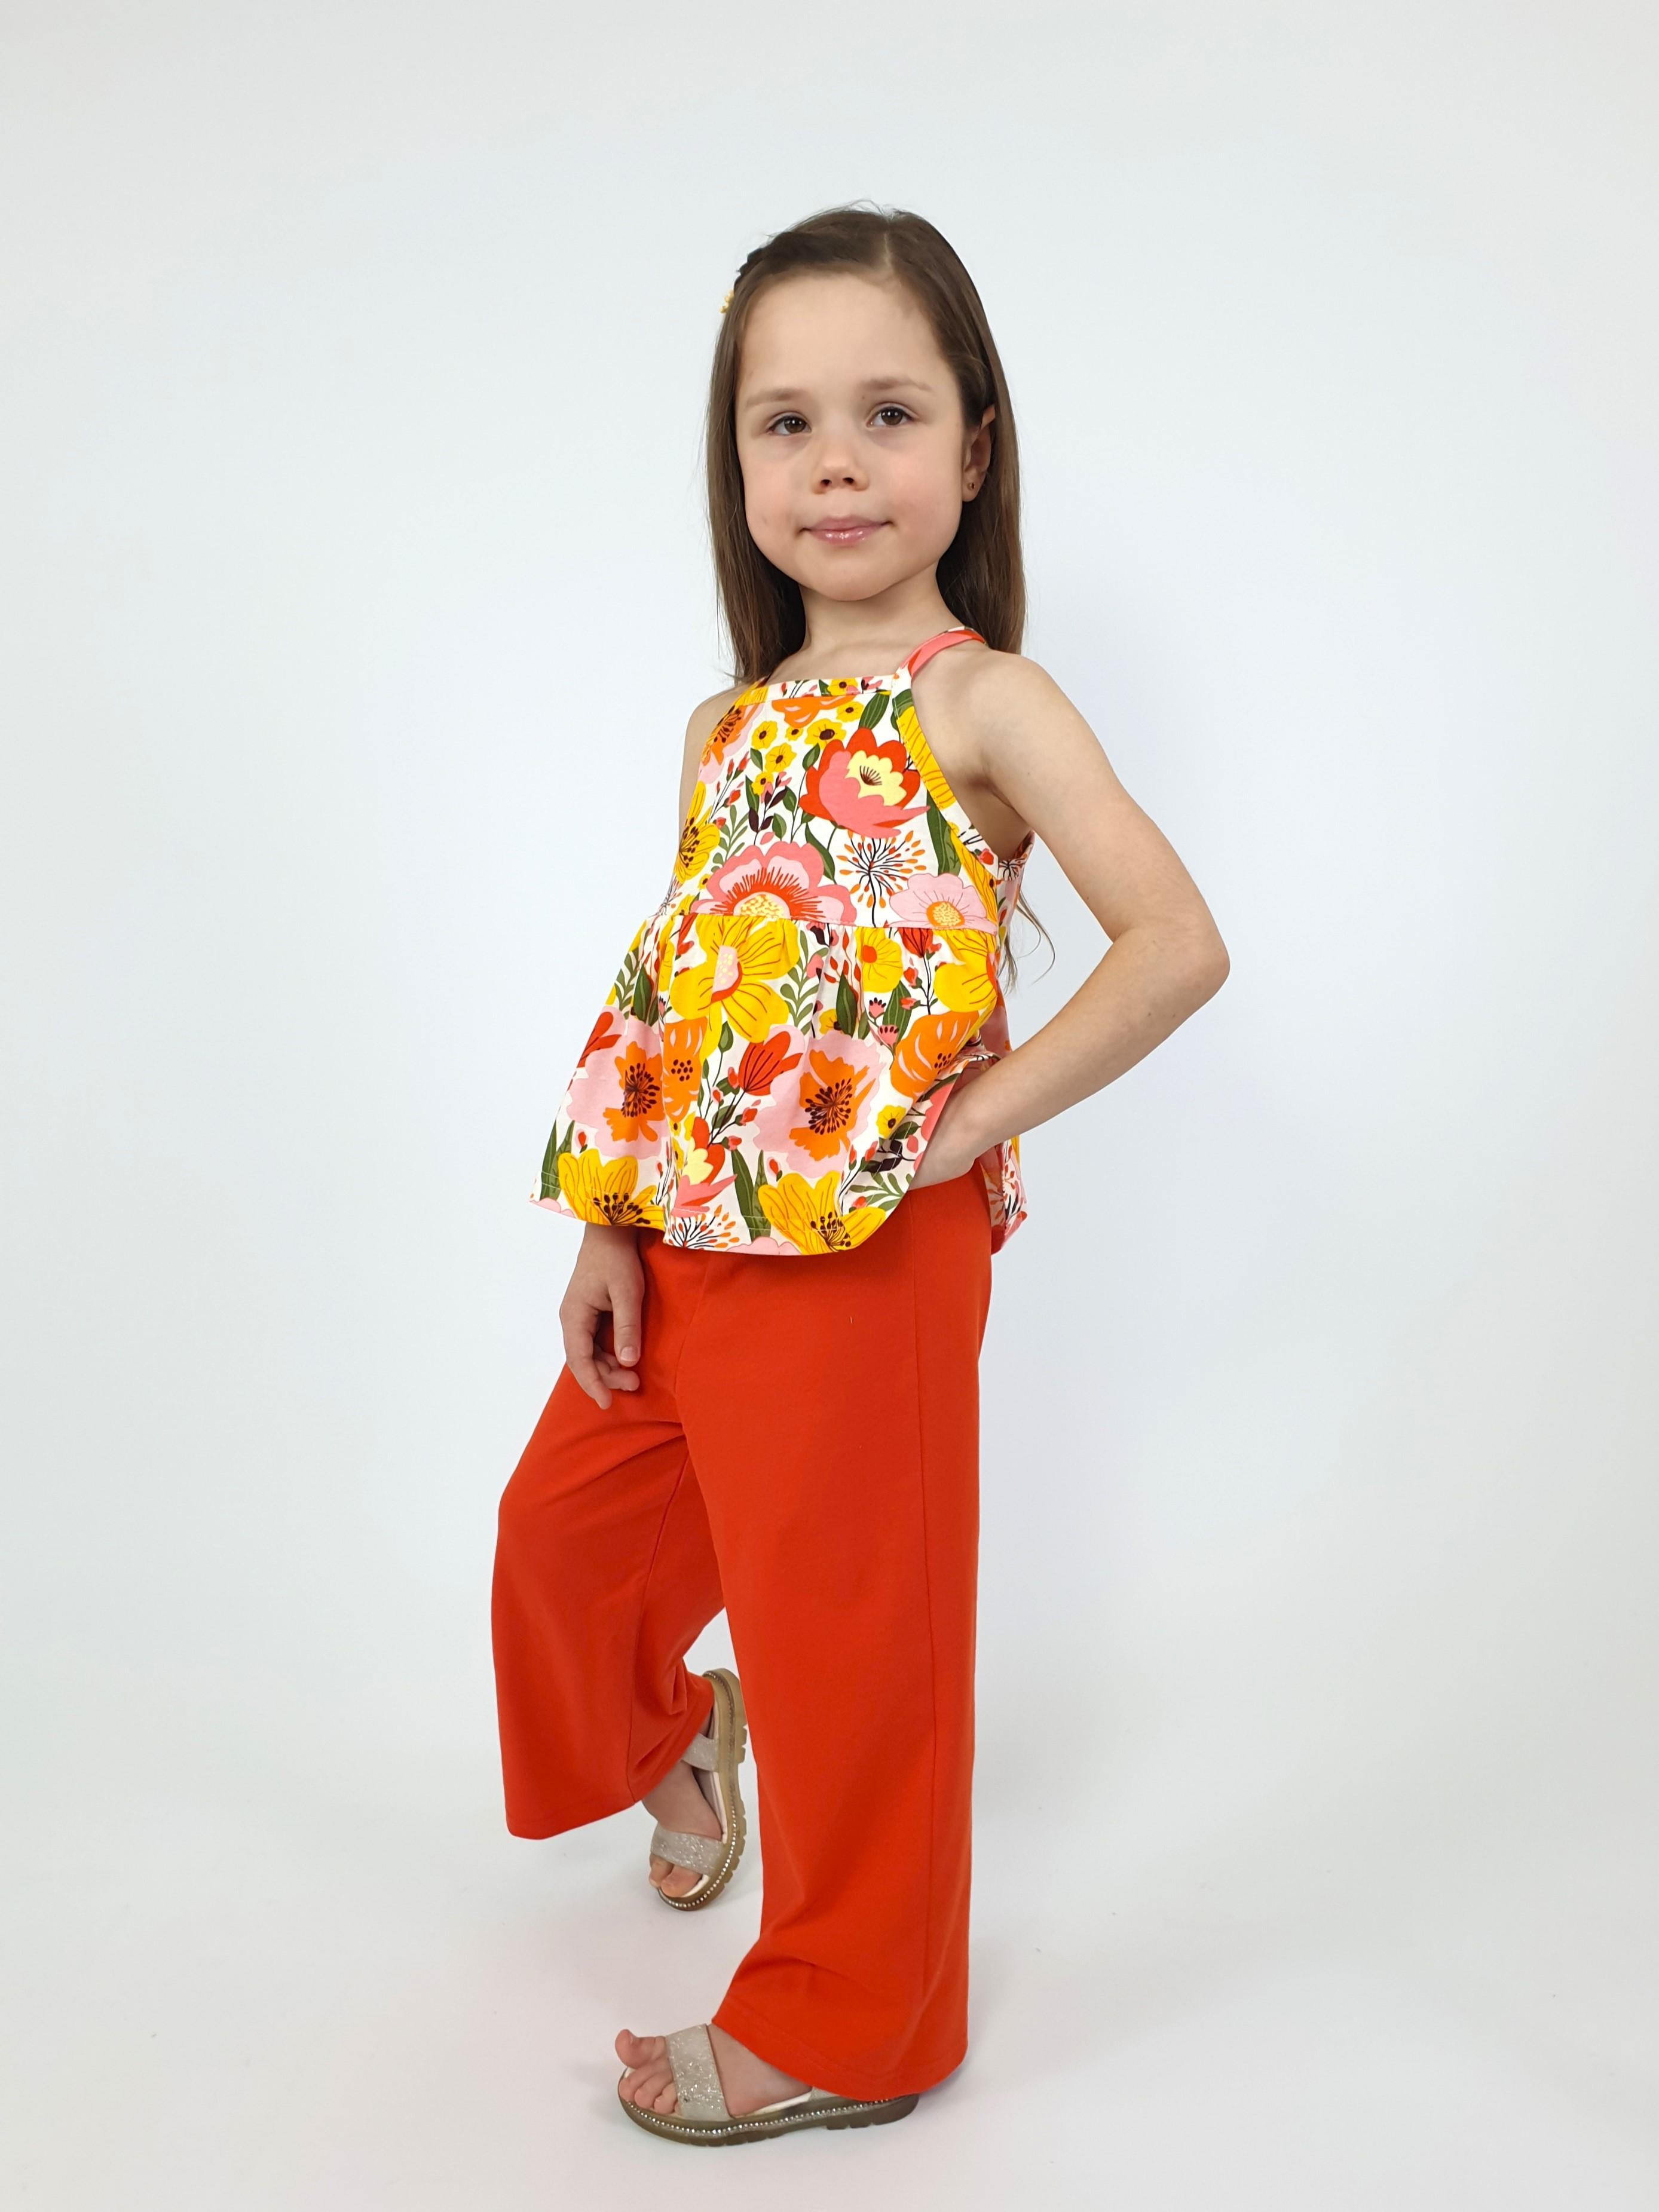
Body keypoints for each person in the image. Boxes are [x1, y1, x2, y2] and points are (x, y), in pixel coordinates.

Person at [490, 202, 1229, 2147]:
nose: (835, 464)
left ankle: (856, 2023)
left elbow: (1176, 942)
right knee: (558, 1547)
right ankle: (686, 1736)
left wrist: (968, 1128)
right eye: (786, 422)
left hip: (868, 1255)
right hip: (690, 1233)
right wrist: (608, 1221)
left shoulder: (985, 701)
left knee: (852, 1644)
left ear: (972, 450)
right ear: (735, 465)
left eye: (887, 415)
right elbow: (688, 996)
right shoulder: (724, 728)